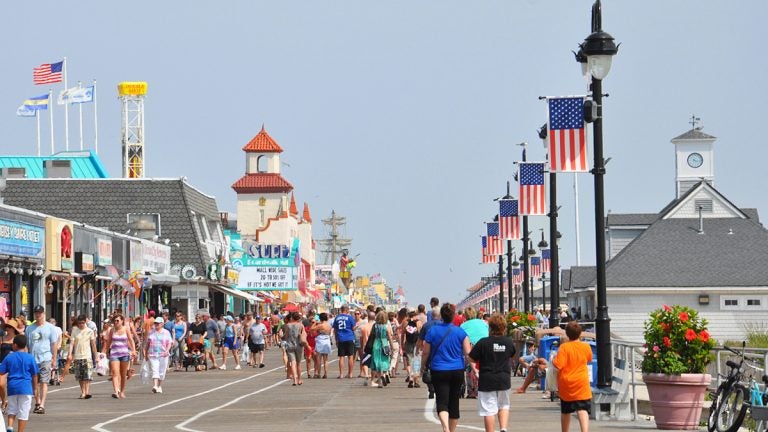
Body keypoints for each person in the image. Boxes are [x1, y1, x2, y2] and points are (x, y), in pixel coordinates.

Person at [422, 303, 471, 432]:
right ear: (454, 316)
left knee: (442, 401)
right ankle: (452, 430)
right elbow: (467, 353)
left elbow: (426, 352)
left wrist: (422, 366)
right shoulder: (460, 332)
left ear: (442, 316)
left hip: (439, 369)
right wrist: (474, 369)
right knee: (454, 401)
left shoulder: (433, 331)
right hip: (457, 370)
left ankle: (445, 428)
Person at [468, 314, 516, 432]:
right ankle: (503, 428)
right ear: (504, 328)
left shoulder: (483, 342)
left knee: (488, 409)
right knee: (504, 405)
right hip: (504, 378)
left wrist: (476, 367)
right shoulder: (508, 342)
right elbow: (513, 355)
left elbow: (471, 358)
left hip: (487, 379)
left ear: (490, 327)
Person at [552, 321, 593, 432]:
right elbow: (589, 359)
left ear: (567, 334)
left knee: (566, 410)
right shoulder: (586, 347)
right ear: (580, 334)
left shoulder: (564, 348)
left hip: (567, 383)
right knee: (582, 409)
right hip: (581, 382)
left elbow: (558, 365)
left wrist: (553, 359)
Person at [0, 335, 39, 432]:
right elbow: (34, 375)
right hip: (26, 388)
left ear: (15, 345)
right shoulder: (30, 358)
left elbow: (1, 372)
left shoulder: (9, 357)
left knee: (12, 409)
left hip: (12, 387)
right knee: (23, 412)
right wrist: (35, 388)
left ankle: (10, 426)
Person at [25, 305, 57, 414]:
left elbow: (54, 344)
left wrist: (54, 359)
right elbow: (27, 345)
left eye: (40, 313)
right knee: (34, 383)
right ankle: (37, 402)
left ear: (43, 314)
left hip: (46, 358)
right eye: (36, 313)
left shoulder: (50, 328)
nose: (38, 315)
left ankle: (42, 405)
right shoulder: (29, 328)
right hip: (33, 359)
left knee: (44, 381)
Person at [101, 313, 136, 399]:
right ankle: (116, 391)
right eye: (114, 321)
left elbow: (131, 341)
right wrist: (104, 352)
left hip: (124, 354)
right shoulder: (111, 330)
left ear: (122, 321)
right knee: (115, 373)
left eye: (117, 321)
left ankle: (122, 391)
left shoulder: (126, 329)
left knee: (123, 374)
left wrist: (133, 350)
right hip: (114, 354)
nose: (116, 322)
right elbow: (108, 342)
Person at [461, 307, 489, 399]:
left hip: (471, 346)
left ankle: (472, 391)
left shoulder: (463, 325)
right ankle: (483, 388)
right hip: (485, 346)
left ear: (465, 315)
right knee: (483, 367)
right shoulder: (483, 323)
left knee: (470, 368)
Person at [67, 315, 96, 400]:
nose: (81, 325)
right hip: (77, 356)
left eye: (82, 323)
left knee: (87, 376)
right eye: (79, 323)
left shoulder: (90, 331)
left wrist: (96, 356)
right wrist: (70, 354)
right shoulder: (74, 330)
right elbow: (72, 343)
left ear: (85, 322)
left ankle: (87, 392)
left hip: (87, 355)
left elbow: (93, 344)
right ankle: (83, 391)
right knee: (80, 376)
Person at [143, 317, 173, 394]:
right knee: (155, 369)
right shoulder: (151, 332)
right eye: (155, 323)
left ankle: (159, 386)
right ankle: (155, 386)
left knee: (162, 371)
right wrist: (145, 353)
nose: (156, 324)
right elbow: (148, 343)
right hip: (153, 354)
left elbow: (169, 342)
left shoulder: (166, 332)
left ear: (162, 324)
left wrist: (167, 350)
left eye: (158, 323)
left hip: (163, 355)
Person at [366, 311, 395, 388]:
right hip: (384, 343)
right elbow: (390, 337)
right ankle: (384, 374)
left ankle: (380, 381)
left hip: (376, 344)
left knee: (377, 361)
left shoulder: (375, 326)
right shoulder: (387, 326)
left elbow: (371, 335)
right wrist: (392, 348)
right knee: (385, 360)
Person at [281, 311, 306, 386]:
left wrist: (282, 337)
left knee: (293, 363)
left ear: (292, 318)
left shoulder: (288, 325)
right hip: (299, 345)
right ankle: (300, 379)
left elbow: (285, 336)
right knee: (298, 363)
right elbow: (304, 335)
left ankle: (294, 380)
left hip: (290, 345)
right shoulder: (301, 325)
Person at [331, 305, 356, 379]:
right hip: (349, 338)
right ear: (347, 310)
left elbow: (335, 329)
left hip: (341, 338)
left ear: (341, 310)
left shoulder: (337, 318)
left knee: (341, 357)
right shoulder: (349, 317)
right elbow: (353, 328)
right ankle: (350, 373)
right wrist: (356, 326)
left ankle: (341, 374)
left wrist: (336, 339)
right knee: (350, 356)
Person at [402, 310, 422, 388]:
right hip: (417, 344)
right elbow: (421, 335)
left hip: (408, 343)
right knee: (416, 361)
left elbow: (403, 334)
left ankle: (410, 377)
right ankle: (416, 381)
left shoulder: (405, 322)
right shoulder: (419, 323)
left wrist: (402, 343)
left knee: (409, 362)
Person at [312, 313, 332, 379]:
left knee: (319, 358)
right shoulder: (329, 325)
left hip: (321, 340)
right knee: (326, 359)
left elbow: (312, 329)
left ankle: (319, 373)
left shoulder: (321, 325)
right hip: (327, 339)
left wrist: (315, 323)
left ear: (320, 318)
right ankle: (326, 373)